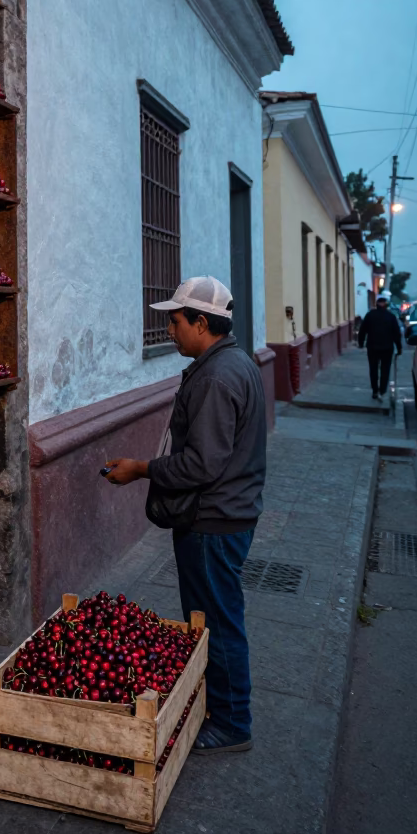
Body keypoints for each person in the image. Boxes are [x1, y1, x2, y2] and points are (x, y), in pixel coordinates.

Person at [101, 275, 266, 755]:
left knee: (217, 621)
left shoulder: (217, 376)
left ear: (201, 322)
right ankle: (219, 705)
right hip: (225, 513)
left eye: (175, 322)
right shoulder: (234, 361)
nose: (170, 331)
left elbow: (202, 463)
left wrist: (141, 470)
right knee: (212, 617)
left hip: (212, 521)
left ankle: (234, 723)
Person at [357, 293, 402, 401]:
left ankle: (375, 391)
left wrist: (361, 343)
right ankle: (382, 390)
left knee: (373, 369)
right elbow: (396, 334)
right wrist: (399, 348)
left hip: (372, 347)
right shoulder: (391, 317)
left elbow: (362, 331)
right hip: (387, 348)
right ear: (386, 304)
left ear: (377, 304)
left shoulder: (370, 315)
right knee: (385, 370)